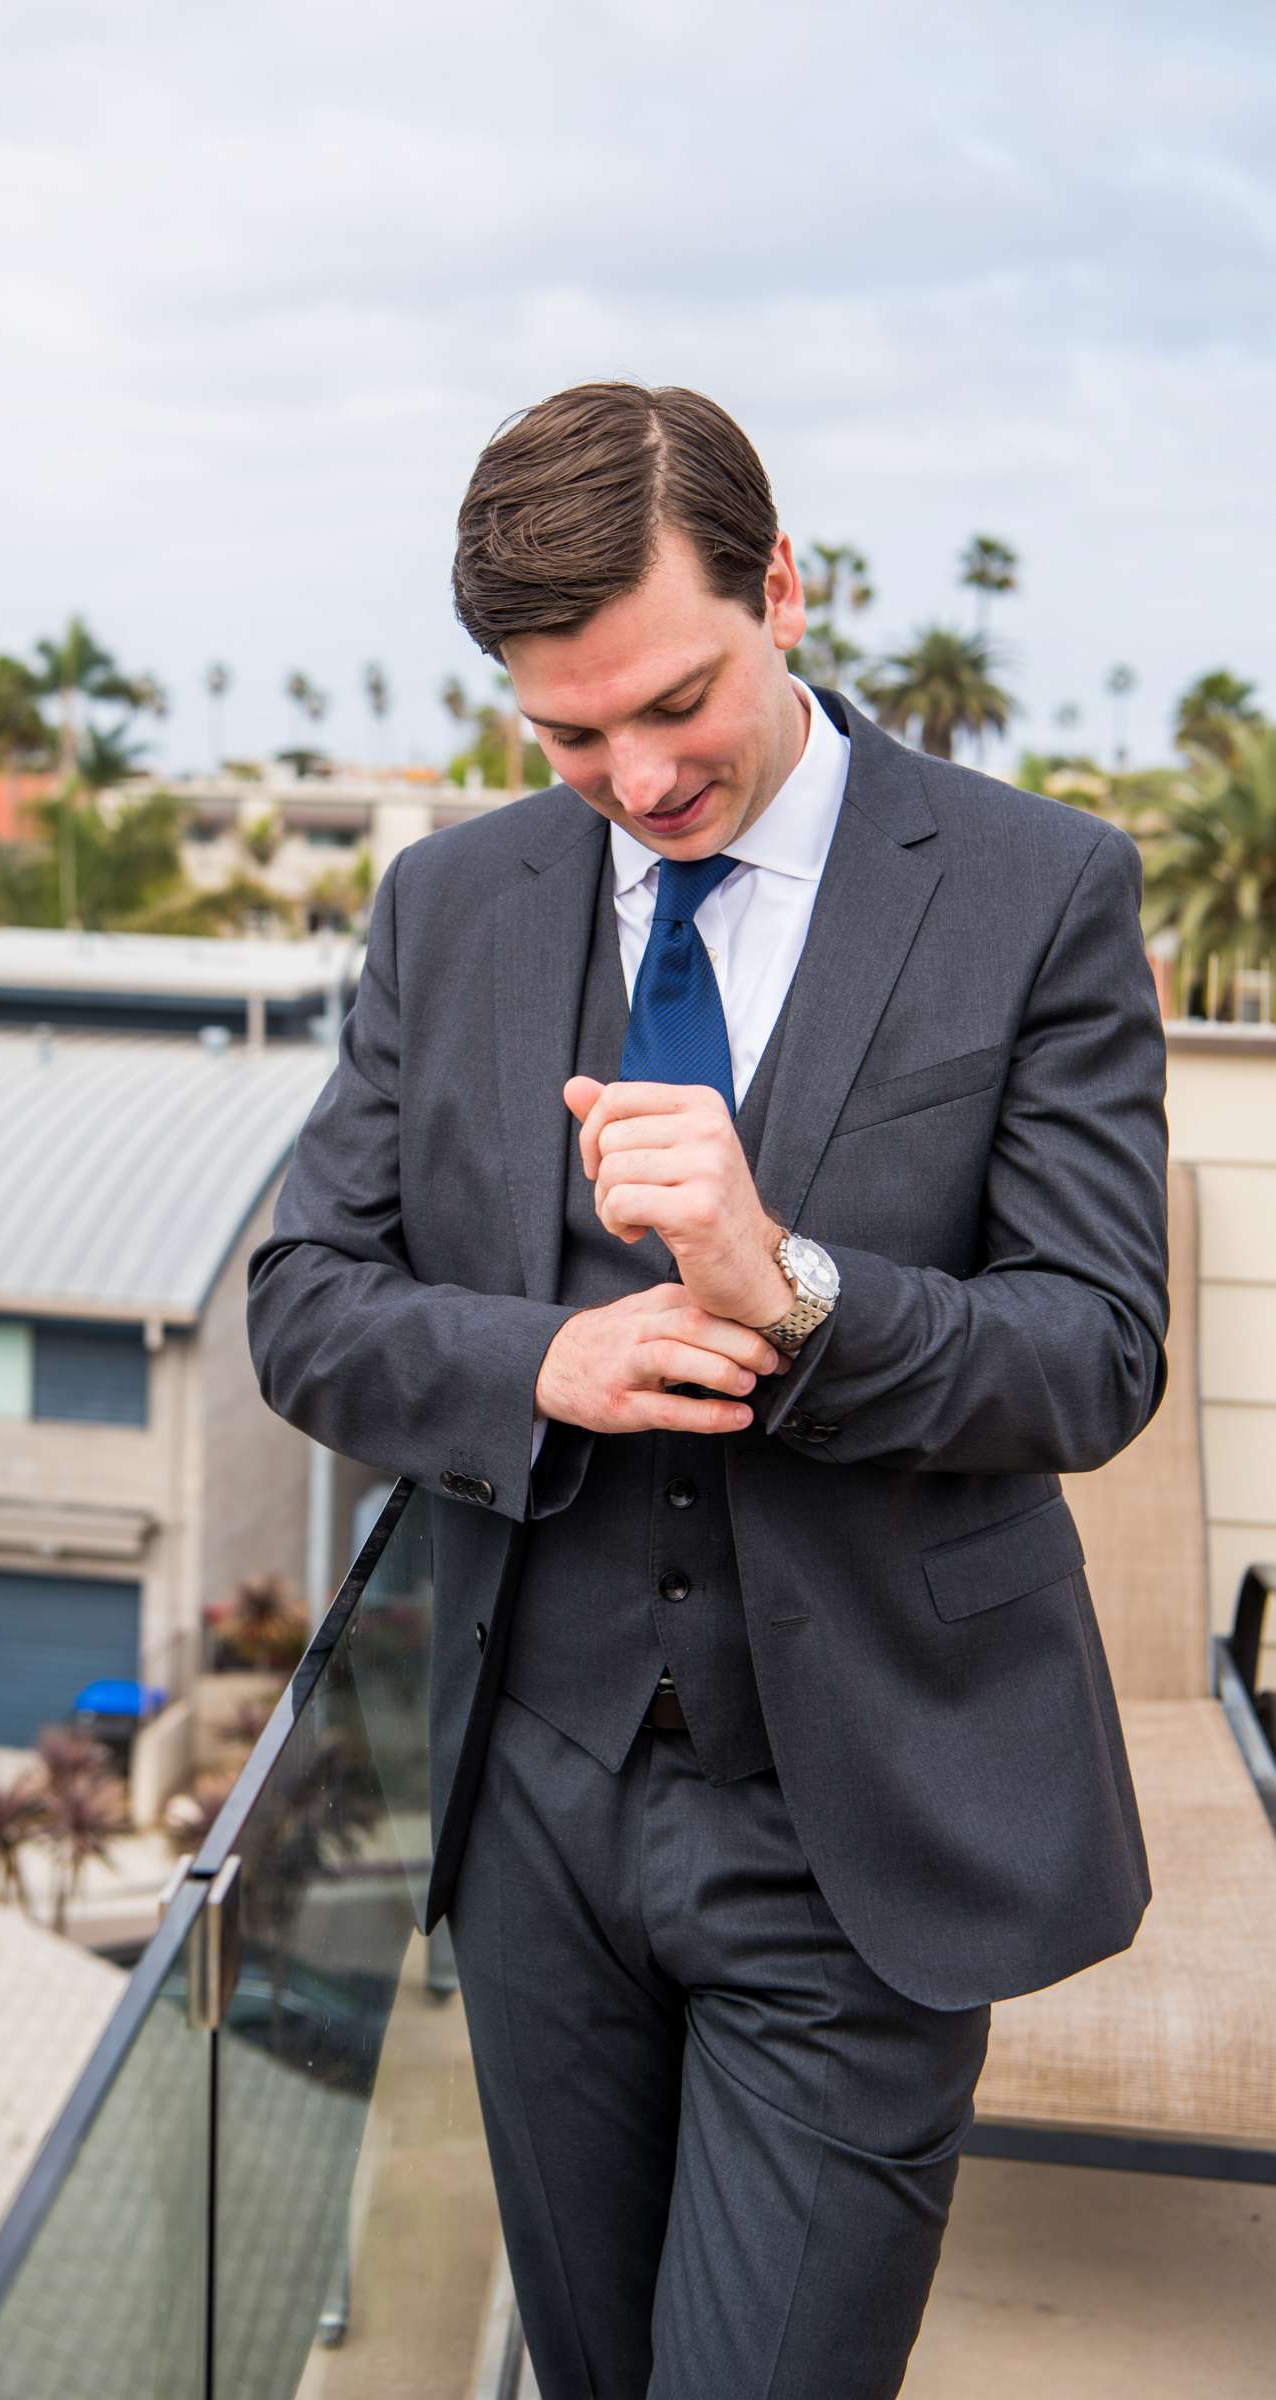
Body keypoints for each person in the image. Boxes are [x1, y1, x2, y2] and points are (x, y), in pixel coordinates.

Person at [246, 381, 1168, 2400]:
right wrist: (544, 1360)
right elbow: (304, 1301)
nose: (638, 778)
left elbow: (1099, 1349)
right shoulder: (451, 904)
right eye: (568, 735)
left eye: (678, 704)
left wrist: (801, 1290)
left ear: (784, 591)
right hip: (535, 1811)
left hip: (868, 1834)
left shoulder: (1040, 889)